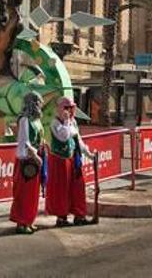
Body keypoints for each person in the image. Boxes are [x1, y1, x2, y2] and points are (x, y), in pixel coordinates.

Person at [46, 97, 95, 227]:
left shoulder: (72, 122)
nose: (69, 111)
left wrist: (89, 154)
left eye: (71, 108)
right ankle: (61, 217)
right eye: (66, 108)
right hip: (60, 160)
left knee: (78, 187)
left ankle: (79, 215)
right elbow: (63, 136)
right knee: (62, 189)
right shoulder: (55, 123)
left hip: (74, 158)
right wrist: (67, 121)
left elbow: (78, 139)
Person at [9, 92, 45, 234]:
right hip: (27, 160)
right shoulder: (25, 120)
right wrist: (35, 156)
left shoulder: (36, 120)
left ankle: (29, 220)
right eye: (38, 101)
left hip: (35, 159)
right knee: (24, 193)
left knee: (32, 193)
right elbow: (24, 141)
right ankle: (21, 222)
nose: (41, 104)